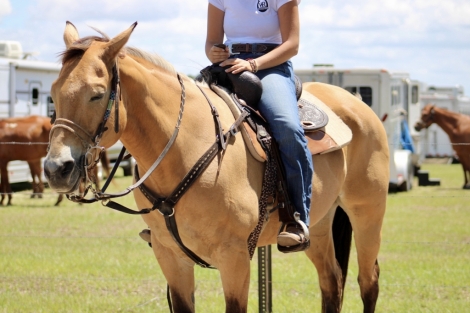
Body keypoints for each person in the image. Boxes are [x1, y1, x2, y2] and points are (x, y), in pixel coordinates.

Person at [205, 0, 313, 251]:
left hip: (270, 67)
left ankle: (297, 219)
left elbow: (292, 45)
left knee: (287, 127)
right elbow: (211, 42)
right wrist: (214, 53)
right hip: (229, 66)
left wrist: (253, 64)